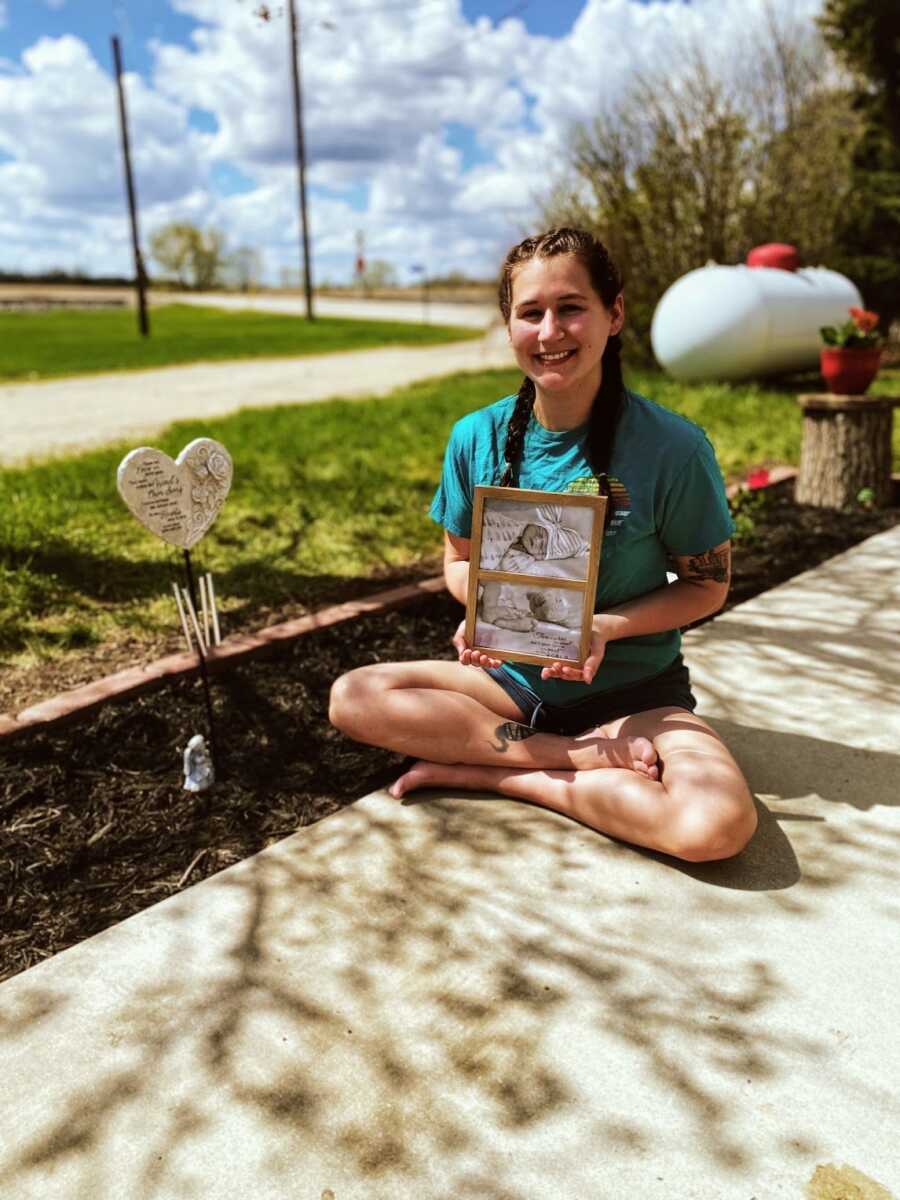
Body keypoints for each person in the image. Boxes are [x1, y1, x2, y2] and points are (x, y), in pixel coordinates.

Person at [329, 227, 757, 862]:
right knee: (353, 697)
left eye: (571, 307)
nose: (550, 332)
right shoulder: (474, 437)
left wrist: (605, 627)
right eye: (530, 313)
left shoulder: (674, 449)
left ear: (614, 314)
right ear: (509, 328)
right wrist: (479, 605)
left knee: (713, 828)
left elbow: (707, 584)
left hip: (636, 699)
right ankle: (565, 758)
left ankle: (499, 774)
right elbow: (459, 562)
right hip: (509, 691)